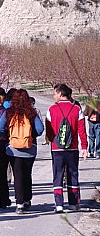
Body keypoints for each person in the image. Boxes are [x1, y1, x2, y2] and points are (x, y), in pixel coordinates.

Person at [0, 89, 44, 214]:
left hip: (13, 148)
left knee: (18, 175)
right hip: (30, 148)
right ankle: (27, 200)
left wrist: (8, 136)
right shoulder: (31, 113)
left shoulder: (9, 112)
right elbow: (40, 129)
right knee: (27, 174)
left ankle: (19, 203)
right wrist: (31, 136)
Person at [45, 83, 89, 212]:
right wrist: (84, 148)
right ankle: (74, 203)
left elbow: (49, 130)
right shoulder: (76, 109)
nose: (54, 96)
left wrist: (53, 140)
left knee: (58, 175)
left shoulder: (52, 109)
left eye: (55, 93)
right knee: (73, 174)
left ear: (60, 94)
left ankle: (59, 204)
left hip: (57, 148)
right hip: (73, 148)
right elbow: (82, 130)